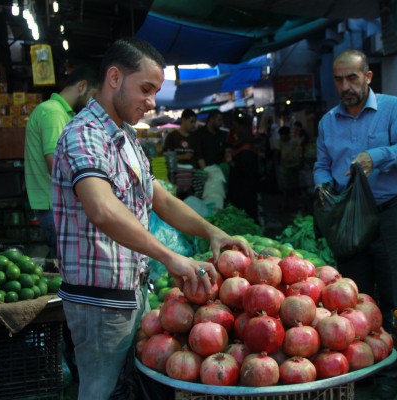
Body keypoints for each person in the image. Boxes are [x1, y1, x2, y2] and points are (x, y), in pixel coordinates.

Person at [51, 37, 253, 400]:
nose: (152, 102)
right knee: (101, 391)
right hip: (99, 300)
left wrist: (213, 232)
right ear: (114, 77)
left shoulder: (126, 136)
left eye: (155, 92)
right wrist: (169, 256)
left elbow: (161, 200)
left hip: (131, 291)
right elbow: (102, 209)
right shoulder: (83, 135)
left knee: (128, 388)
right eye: (146, 89)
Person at [313, 49, 397, 400]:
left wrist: (377, 156)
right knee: (353, 299)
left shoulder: (393, 108)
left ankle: (391, 374)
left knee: (393, 300)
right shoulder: (328, 121)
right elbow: (322, 164)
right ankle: (363, 367)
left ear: (368, 76)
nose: (345, 86)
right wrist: (321, 183)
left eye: (352, 78)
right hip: (349, 220)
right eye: (339, 80)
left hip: (391, 214)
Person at [24, 65, 99, 266]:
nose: (93, 103)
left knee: (63, 263)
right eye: (93, 95)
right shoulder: (53, 113)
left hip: (57, 204)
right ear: (82, 86)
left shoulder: (62, 113)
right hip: (55, 205)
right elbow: (56, 165)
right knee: (67, 266)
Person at [227, 113, 260, 221]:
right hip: (247, 192)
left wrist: (232, 163)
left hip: (243, 193)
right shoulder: (247, 148)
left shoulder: (246, 151)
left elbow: (244, 170)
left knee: (245, 217)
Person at [276, 126, 302, 210]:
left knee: (294, 187)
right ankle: (285, 205)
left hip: (295, 166)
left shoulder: (295, 141)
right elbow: (277, 153)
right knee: (285, 188)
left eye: (283, 135)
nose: (282, 137)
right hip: (284, 167)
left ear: (287, 134)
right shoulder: (280, 142)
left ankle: (294, 205)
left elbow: (300, 152)